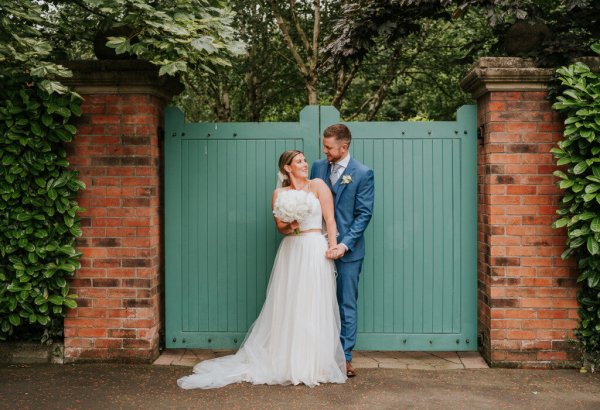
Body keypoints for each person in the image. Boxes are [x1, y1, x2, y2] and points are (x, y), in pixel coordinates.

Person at [177, 150, 347, 389]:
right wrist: (292, 223)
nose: (305, 164)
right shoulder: (279, 193)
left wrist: (332, 247)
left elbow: (329, 220)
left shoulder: (318, 185)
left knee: (314, 302)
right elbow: (280, 228)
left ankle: (315, 363)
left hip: (315, 249)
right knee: (290, 303)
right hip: (292, 250)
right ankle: (287, 360)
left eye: (305, 160)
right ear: (287, 168)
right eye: (299, 161)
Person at [310, 124, 375, 378]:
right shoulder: (317, 167)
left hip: (349, 251)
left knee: (346, 303)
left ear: (344, 147)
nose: (324, 151)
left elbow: (363, 214)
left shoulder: (362, 173)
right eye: (324, 146)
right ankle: (318, 354)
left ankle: (345, 357)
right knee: (316, 302)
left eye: (329, 147)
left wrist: (343, 244)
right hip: (317, 248)